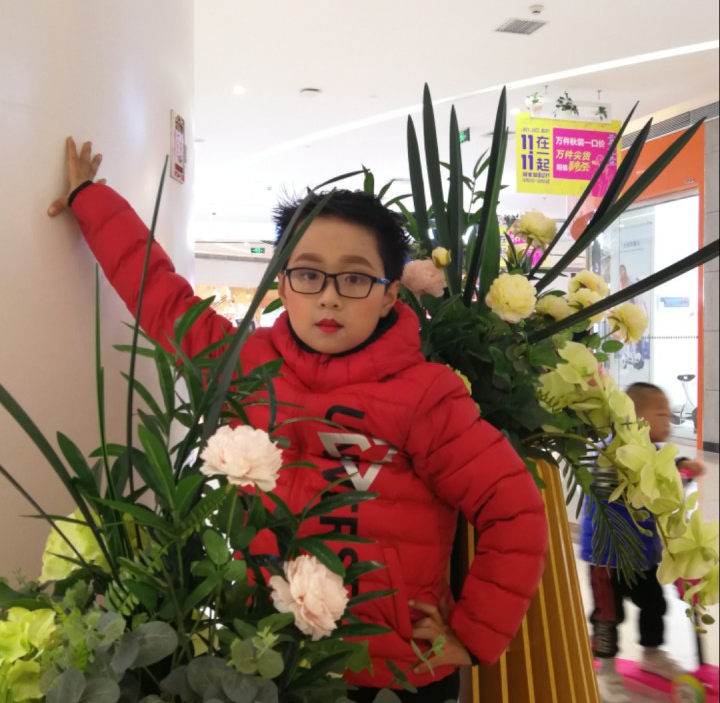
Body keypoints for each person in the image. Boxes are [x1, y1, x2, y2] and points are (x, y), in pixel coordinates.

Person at [48, 138, 548, 702]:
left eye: (355, 278)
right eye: (309, 274)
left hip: (387, 674)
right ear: (282, 283)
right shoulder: (242, 364)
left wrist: (473, 634)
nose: (329, 298)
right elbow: (162, 297)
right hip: (263, 658)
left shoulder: (426, 396)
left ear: (390, 295)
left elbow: (515, 509)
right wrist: (90, 199)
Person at [580, 382, 704, 703]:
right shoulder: (611, 452)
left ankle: (652, 652)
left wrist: (684, 470)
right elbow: (629, 484)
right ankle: (606, 670)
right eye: (661, 413)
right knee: (608, 615)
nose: (669, 420)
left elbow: (664, 479)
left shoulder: (655, 452)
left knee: (654, 604)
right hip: (607, 557)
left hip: (643, 556)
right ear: (634, 417)